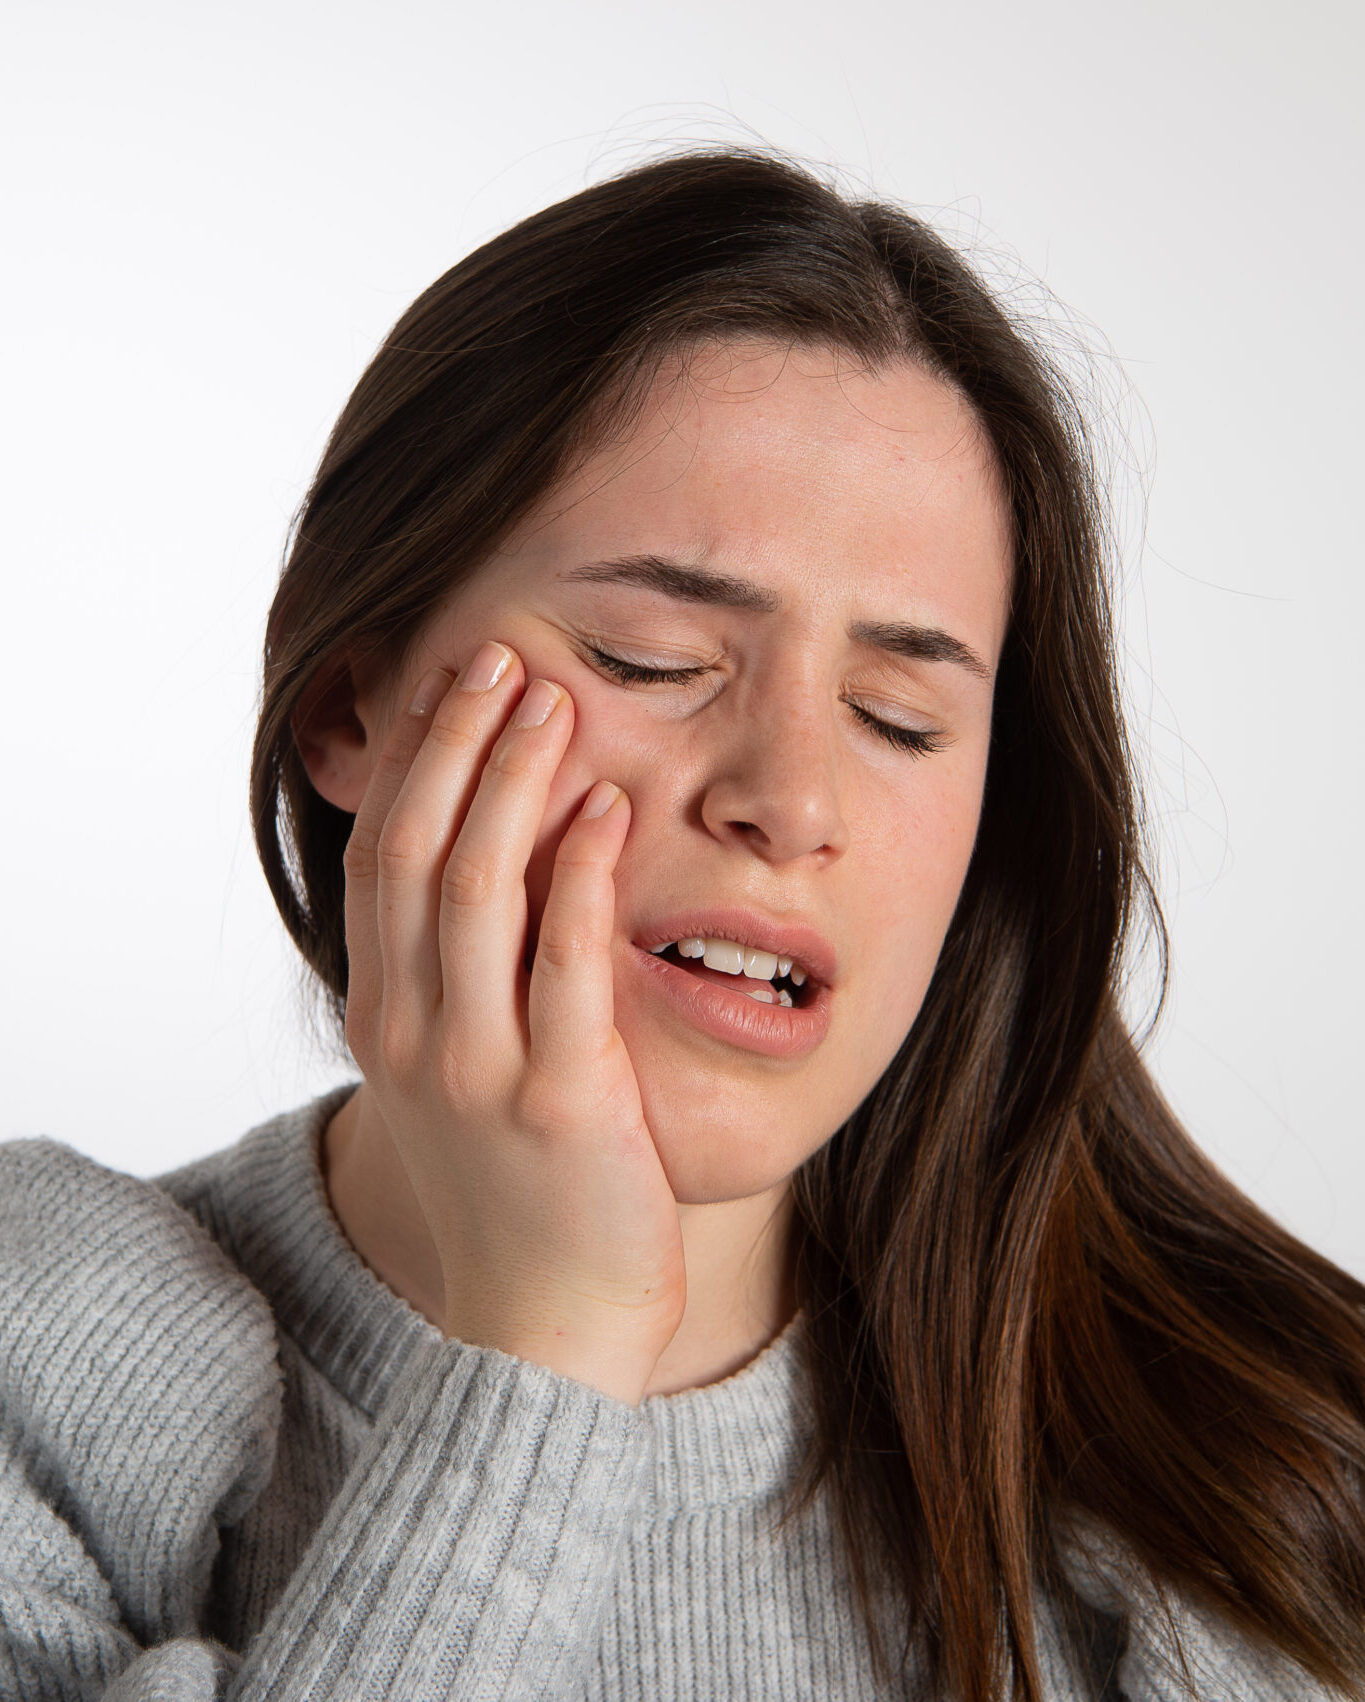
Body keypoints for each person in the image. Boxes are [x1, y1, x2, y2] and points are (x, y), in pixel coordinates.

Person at [2, 148, 1362, 1702]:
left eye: (895, 715)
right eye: (649, 657)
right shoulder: (38, 1349)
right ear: (345, 709)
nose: (789, 797)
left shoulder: (1253, 1493)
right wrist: (546, 1346)